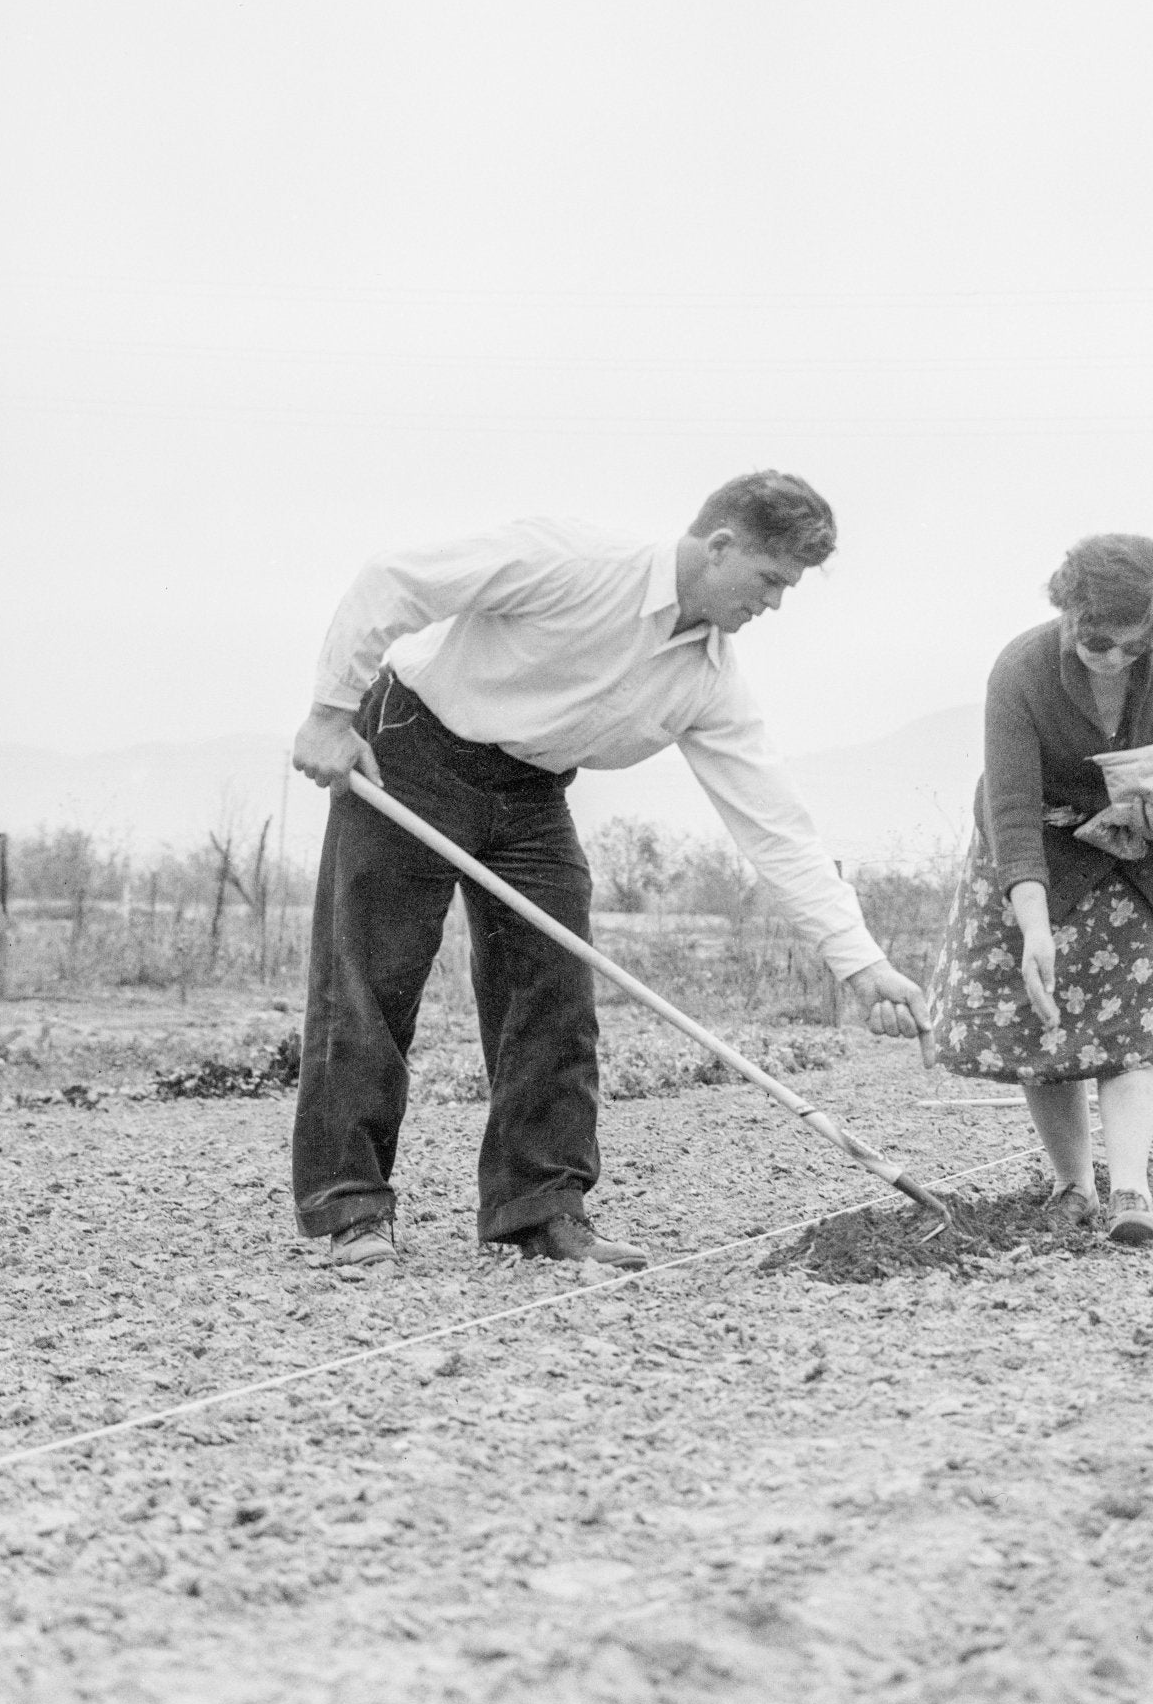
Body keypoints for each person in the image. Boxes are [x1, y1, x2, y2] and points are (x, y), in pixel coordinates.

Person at [291, 471, 934, 1275]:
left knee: (555, 991)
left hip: (530, 791)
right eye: (771, 579)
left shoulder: (710, 679)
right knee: (370, 981)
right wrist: (328, 712)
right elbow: (396, 580)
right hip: (412, 747)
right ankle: (351, 1208)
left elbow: (774, 826)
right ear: (721, 546)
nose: (774, 604)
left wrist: (862, 962)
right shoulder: (573, 560)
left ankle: (543, 1211)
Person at [928, 534, 1153, 1245]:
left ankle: (1131, 1192)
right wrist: (1031, 923)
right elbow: (1010, 808)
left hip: (1136, 859)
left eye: (1133, 646)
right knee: (1047, 1018)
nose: (1116, 657)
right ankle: (1072, 1185)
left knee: (1132, 1025)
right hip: (1039, 853)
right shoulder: (1022, 669)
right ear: (1066, 612)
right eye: (1099, 643)